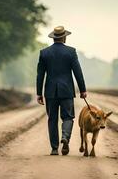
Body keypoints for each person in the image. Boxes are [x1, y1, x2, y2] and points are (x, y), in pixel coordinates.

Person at [36, 26, 87, 155]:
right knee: (68, 117)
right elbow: (78, 72)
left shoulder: (44, 53)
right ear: (64, 37)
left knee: (52, 119)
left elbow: (40, 75)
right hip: (67, 91)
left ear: (53, 38)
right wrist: (82, 90)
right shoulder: (71, 52)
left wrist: (39, 93)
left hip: (50, 92)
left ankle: (54, 149)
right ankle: (65, 137)